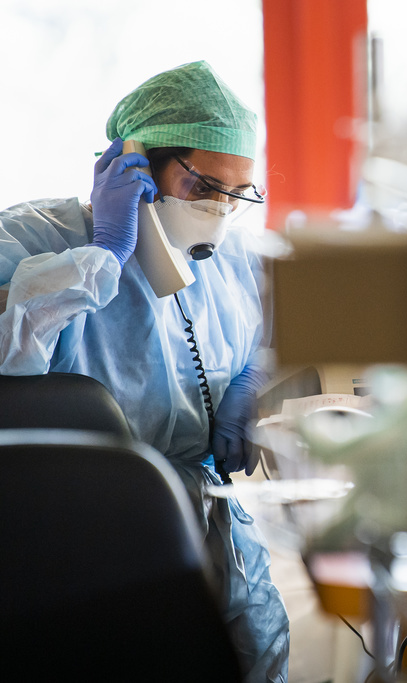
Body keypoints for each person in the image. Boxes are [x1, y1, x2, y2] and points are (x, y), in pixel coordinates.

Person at [0, 61, 289, 682]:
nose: (222, 209)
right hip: (80, 526)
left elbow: (264, 332)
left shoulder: (230, 253)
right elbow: (8, 353)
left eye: (240, 192)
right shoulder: (32, 238)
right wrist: (103, 253)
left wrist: (250, 382)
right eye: (206, 185)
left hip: (209, 512)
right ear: (138, 162)